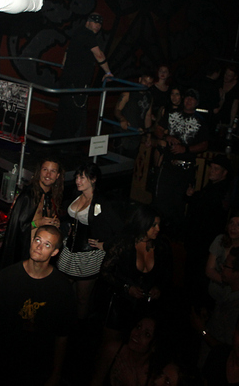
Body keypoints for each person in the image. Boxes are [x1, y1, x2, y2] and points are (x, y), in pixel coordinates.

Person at [0, 225, 76, 386]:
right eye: (37, 240)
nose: (39, 247)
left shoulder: (62, 288)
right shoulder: (7, 277)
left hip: (40, 364)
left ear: (54, 252)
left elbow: (62, 335)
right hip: (7, 359)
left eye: (47, 244)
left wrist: (55, 374)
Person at [56, 162, 122, 320]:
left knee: (82, 298)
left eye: (82, 177)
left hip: (88, 255)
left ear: (93, 179)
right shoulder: (76, 194)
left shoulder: (102, 203)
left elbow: (120, 229)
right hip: (68, 250)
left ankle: (79, 328)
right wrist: (67, 225)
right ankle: (61, 323)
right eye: (77, 177)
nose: (78, 181)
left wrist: (105, 244)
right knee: (61, 291)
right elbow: (70, 216)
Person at [100, 207, 172, 335]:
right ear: (143, 224)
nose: (158, 229)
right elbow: (105, 271)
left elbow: (166, 273)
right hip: (120, 306)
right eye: (153, 225)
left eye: (159, 225)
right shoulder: (123, 244)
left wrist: (158, 288)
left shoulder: (161, 247)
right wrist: (126, 287)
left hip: (145, 310)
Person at [153, 88, 210, 235]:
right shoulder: (172, 114)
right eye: (187, 98)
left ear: (196, 102)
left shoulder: (201, 121)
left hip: (185, 169)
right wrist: (166, 137)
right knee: (161, 200)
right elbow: (158, 129)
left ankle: (174, 235)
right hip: (168, 165)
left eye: (192, 99)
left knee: (178, 204)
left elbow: (204, 144)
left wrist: (186, 149)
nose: (189, 101)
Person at [51, 13, 114, 141]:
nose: (98, 26)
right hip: (77, 81)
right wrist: (108, 72)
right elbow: (99, 54)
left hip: (69, 79)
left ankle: (58, 142)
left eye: (99, 23)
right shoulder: (87, 34)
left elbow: (68, 50)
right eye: (95, 22)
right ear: (88, 22)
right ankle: (68, 144)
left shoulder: (78, 32)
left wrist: (64, 64)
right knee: (73, 115)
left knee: (65, 113)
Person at [193, 248, 239, 367]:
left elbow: (228, 349)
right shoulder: (229, 290)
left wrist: (202, 330)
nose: (222, 267)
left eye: (226, 266)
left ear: (237, 273)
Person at [0, 156, 63, 270]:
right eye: (45, 170)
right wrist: (37, 223)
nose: (48, 174)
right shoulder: (28, 196)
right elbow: (18, 227)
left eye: (52, 171)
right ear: (39, 172)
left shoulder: (53, 196)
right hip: (23, 253)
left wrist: (55, 224)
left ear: (57, 175)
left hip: (42, 256)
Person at [91, 315, 161, 386]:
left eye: (147, 334)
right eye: (138, 327)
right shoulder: (113, 351)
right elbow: (96, 381)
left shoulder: (152, 377)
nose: (137, 334)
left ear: (154, 345)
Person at [114, 72, 154, 158]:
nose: (146, 85)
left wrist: (148, 136)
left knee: (130, 163)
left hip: (136, 135)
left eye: (149, 83)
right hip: (123, 133)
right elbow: (117, 110)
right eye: (145, 81)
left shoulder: (149, 97)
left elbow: (148, 116)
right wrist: (122, 119)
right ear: (140, 79)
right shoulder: (128, 92)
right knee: (118, 161)